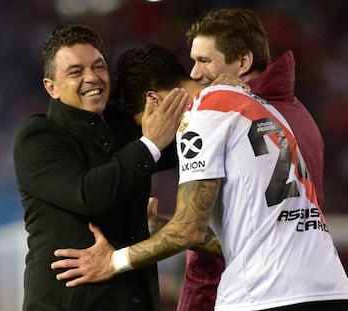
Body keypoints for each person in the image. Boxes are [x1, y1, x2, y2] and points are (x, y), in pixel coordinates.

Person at [50, 43, 348, 310]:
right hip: (328, 286)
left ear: (154, 100)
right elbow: (243, 238)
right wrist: (162, 227)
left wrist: (112, 262)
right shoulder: (258, 105)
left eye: (145, 123)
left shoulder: (201, 116)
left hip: (265, 295)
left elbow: (188, 230)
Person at [13, 24, 188, 311]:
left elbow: (185, 145)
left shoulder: (123, 127)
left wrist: (222, 95)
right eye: (75, 72)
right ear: (51, 87)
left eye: (98, 66)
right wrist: (149, 144)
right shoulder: (39, 136)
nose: (91, 77)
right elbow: (88, 195)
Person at [176, 8, 326, 311]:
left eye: (204, 61)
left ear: (243, 62)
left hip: (254, 293)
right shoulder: (299, 117)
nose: (194, 73)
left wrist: (117, 261)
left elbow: (216, 255)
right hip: (309, 286)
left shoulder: (223, 115)